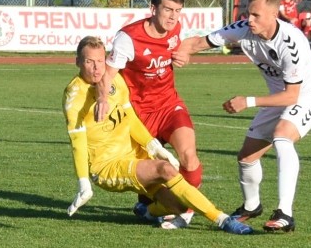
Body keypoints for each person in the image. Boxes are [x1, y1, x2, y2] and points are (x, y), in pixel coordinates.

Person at [63, 36, 252, 235]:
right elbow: (78, 143)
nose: (96, 68)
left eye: (100, 61)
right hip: (107, 166)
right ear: (78, 62)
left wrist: (154, 146)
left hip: (134, 154)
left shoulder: (116, 80)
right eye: (89, 61)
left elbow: (131, 119)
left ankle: (148, 211)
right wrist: (84, 183)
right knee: (165, 169)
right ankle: (222, 219)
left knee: (178, 207)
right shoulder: (74, 96)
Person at [178, 0, 311, 233]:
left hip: (308, 95)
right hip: (277, 97)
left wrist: (247, 101)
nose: (250, 20)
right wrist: (179, 52)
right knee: (247, 157)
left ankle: (285, 213)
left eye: (256, 15)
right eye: (249, 13)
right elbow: (198, 42)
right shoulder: (242, 28)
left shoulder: (291, 43)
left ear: (274, 14)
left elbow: (292, 95)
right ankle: (251, 206)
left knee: (282, 137)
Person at [95, 0, 203, 225]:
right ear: (153, 8)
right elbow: (108, 74)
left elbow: (181, 48)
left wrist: (183, 55)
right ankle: (149, 206)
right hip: (138, 114)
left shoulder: (176, 29)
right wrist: (102, 99)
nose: (173, 17)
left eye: (178, 11)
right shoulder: (128, 38)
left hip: (168, 105)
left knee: (189, 157)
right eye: (168, 10)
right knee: (149, 176)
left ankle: (184, 211)